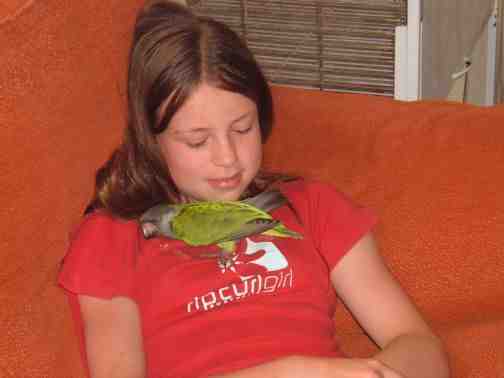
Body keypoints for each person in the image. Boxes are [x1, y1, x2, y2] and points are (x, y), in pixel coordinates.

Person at [58, 1, 450, 377]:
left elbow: (418, 344)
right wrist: (289, 373)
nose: (228, 158)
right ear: (150, 139)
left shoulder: (311, 206)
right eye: (197, 141)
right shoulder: (114, 236)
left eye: (243, 129)